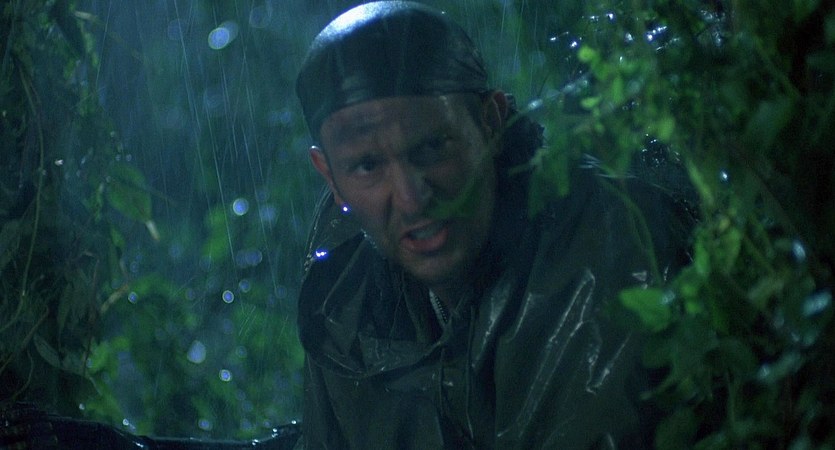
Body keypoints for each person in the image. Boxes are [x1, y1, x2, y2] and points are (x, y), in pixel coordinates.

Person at [294, 1, 695, 449]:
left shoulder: (607, 243)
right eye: (368, 166)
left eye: (432, 147)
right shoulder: (343, 290)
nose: (410, 197)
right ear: (330, 177)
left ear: (491, 122)